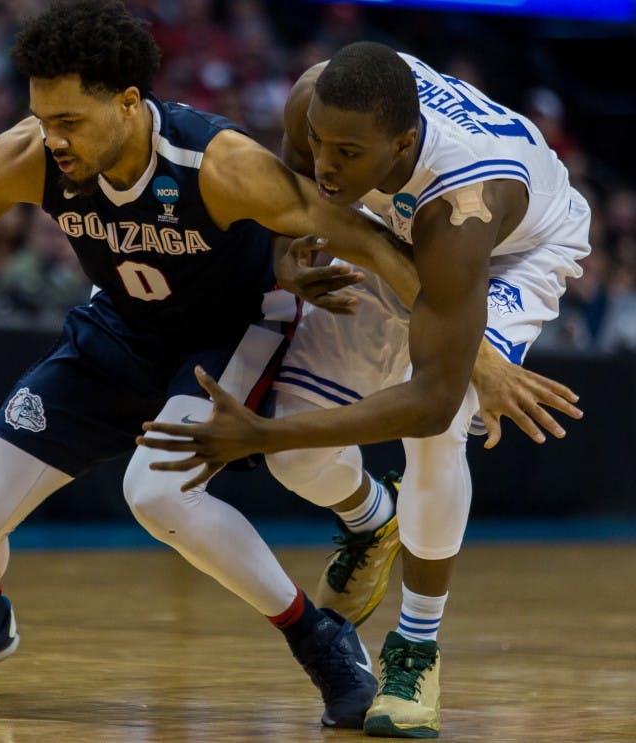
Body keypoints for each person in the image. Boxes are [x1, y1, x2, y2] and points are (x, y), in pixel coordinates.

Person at [0, 1, 434, 728]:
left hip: (228, 334)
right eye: (43, 118)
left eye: (69, 120)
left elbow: (362, 236)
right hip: (118, 330)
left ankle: (320, 638)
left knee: (157, 494)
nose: (53, 138)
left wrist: (476, 351)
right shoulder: (31, 156)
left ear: (129, 104)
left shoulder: (217, 163)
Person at [138, 42, 591, 738]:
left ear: (403, 141)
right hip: (392, 220)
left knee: (436, 427)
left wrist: (261, 435)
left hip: (509, 254)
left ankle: (415, 649)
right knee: (299, 462)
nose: (325, 163)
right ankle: (372, 516)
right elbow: (293, 187)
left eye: (345, 152)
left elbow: (434, 397)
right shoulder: (319, 108)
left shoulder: (463, 209)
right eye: (320, 140)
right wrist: (291, 256)